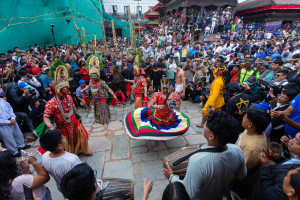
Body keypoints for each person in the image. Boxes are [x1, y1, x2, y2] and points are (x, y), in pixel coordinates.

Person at [163, 111, 247, 200]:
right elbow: (242, 175)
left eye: (207, 124)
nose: (204, 124)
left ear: (211, 136)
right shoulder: (236, 150)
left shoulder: (197, 161)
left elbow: (188, 193)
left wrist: (171, 176)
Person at [42, 59, 91, 155]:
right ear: (56, 89)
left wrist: (76, 113)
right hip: (62, 125)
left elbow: (72, 107)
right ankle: (71, 155)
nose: (65, 90)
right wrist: (51, 127)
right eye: (62, 88)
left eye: (66, 88)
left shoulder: (69, 97)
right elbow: (46, 116)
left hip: (73, 121)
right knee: (65, 143)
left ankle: (84, 150)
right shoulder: (51, 103)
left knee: (83, 135)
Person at [124, 77, 190, 142]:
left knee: (165, 131)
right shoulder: (157, 94)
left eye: (167, 88)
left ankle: (164, 138)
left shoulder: (174, 96)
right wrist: (158, 107)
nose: (166, 90)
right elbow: (150, 106)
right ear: (161, 87)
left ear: (170, 88)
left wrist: (173, 106)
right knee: (156, 132)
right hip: (158, 116)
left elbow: (177, 107)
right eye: (164, 88)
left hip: (168, 117)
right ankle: (156, 140)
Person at [81, 54, 117, 125]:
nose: (94, 78)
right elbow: (89, 86)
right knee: (97, 110)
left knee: (103, 110)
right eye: (92, 77)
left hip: (102, 99)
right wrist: (83, 90)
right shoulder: (91, 81)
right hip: (95, 99)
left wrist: (113, 95)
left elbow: (108, 89)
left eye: (95, 77)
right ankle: (99, 119)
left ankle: (105, 121)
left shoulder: (101, 82)